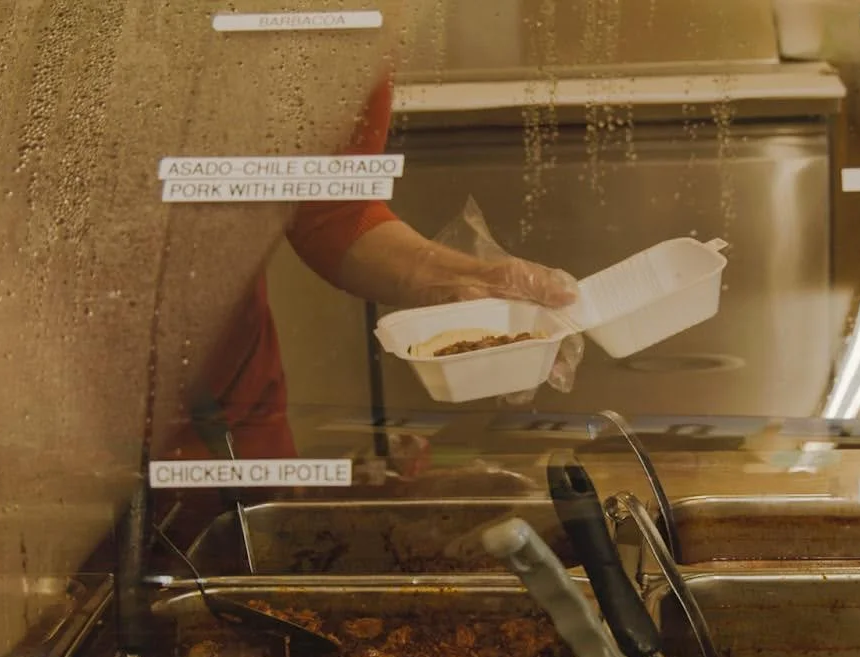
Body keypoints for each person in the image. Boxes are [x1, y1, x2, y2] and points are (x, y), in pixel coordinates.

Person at [156, 75, 576, 530]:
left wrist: (468, 281)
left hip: (227, 435)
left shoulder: (334, 37)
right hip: (79, 459)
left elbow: (331, 208)